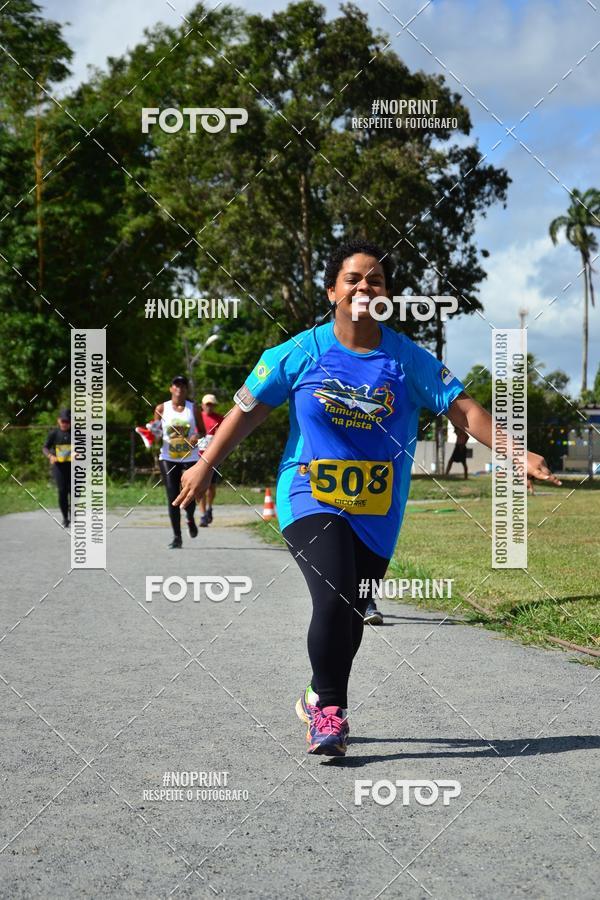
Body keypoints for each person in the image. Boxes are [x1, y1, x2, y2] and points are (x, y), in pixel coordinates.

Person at [173, 239, 561, 757]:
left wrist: (516, 451)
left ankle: (316, 692)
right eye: (353, 278)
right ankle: (331, 710)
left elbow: (465, 411)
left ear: (387, 295)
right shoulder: (297, 353)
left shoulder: (407, 359)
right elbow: (248, 409)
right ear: (331, 290)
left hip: (378, 509)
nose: (363, 286)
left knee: (352, 610)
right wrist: (205, 463)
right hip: (309, 491)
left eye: (374, 280)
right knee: (334, 592)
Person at [154, 376, 204, 549]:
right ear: (171, 389)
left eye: (183, 385)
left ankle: (190, 518)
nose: (180, 388)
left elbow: (203, 431)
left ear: (186, 390)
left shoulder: (193, 409)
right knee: (172, 496)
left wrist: (196, 436)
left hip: (190, 457)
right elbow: (156, 431)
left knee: (190, 493)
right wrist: (154, 434)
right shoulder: (161, 408)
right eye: (176, 385)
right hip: (168, 457)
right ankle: (177, 537)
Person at [198, 393, 224, 527]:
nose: (209, 407)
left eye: (212, 405)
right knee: (200, 486)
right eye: (207, 404)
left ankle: (209, 507)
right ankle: (202, 515)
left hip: (214, 458)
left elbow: (224, 436)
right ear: (202, 405)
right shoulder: (197, 418)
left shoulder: (219, 419)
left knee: (211, 488)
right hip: (198, 457)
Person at [43, 408, 72, 528]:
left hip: (74, 468)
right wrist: (50, 456)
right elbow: (45, 447)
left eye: (67, 421)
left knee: (75, 493)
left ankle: (73, 513)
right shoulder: (54, 434)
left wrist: (79, 453)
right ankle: (65, 518)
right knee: (62, 492)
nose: (65, 424)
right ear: (58, 421)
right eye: (63, 421)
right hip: (59, 468)